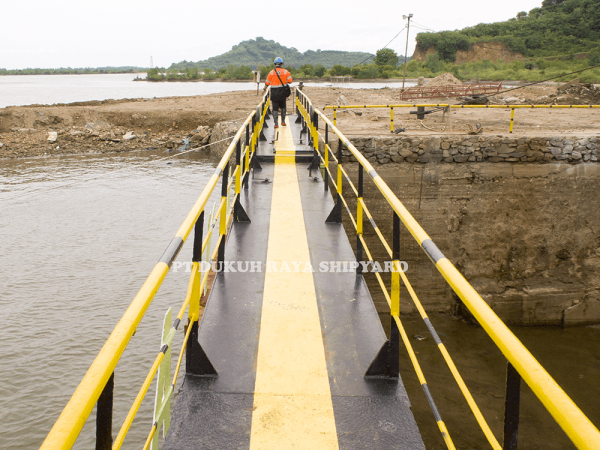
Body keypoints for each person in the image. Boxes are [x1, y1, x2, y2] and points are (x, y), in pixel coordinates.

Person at [263, 57, 293, 128]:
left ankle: (276, 124)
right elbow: (290, 81)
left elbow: (267, 82)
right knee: (283, 107)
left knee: (275, 108)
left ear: (275, 64)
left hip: (274, 93)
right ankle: (283, 121)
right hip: (282, 92)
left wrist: (264, 88)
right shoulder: (286, 72)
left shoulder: (271, 72)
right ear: (281, 64)